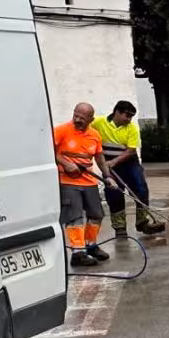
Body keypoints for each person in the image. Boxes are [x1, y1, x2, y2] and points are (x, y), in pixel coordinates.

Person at [55, 102, 114, 267]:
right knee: (74, 216)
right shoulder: (61, 131)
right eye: (76, 115)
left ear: (91, 119)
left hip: (89, 180)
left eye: (82, 117)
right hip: (68, 181)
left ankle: (91, 245)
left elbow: (99, 157)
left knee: (96, 214)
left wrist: (107, 176)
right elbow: (49, 150)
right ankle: (78, 252)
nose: (77, 119)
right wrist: (65, 163)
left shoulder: (94, 135)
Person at [92, 100, 160, 238]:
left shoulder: (132, 128)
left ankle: (142, 222)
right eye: (127, 116)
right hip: (109, 165)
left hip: (129, 163)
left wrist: (114, 161)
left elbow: (131, 151)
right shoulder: (99, 123)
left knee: (140, 189)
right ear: (117, 112)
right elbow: (85, 130)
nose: (129, 120)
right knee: (114, 192)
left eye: (131, 117)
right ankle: (119, 227)